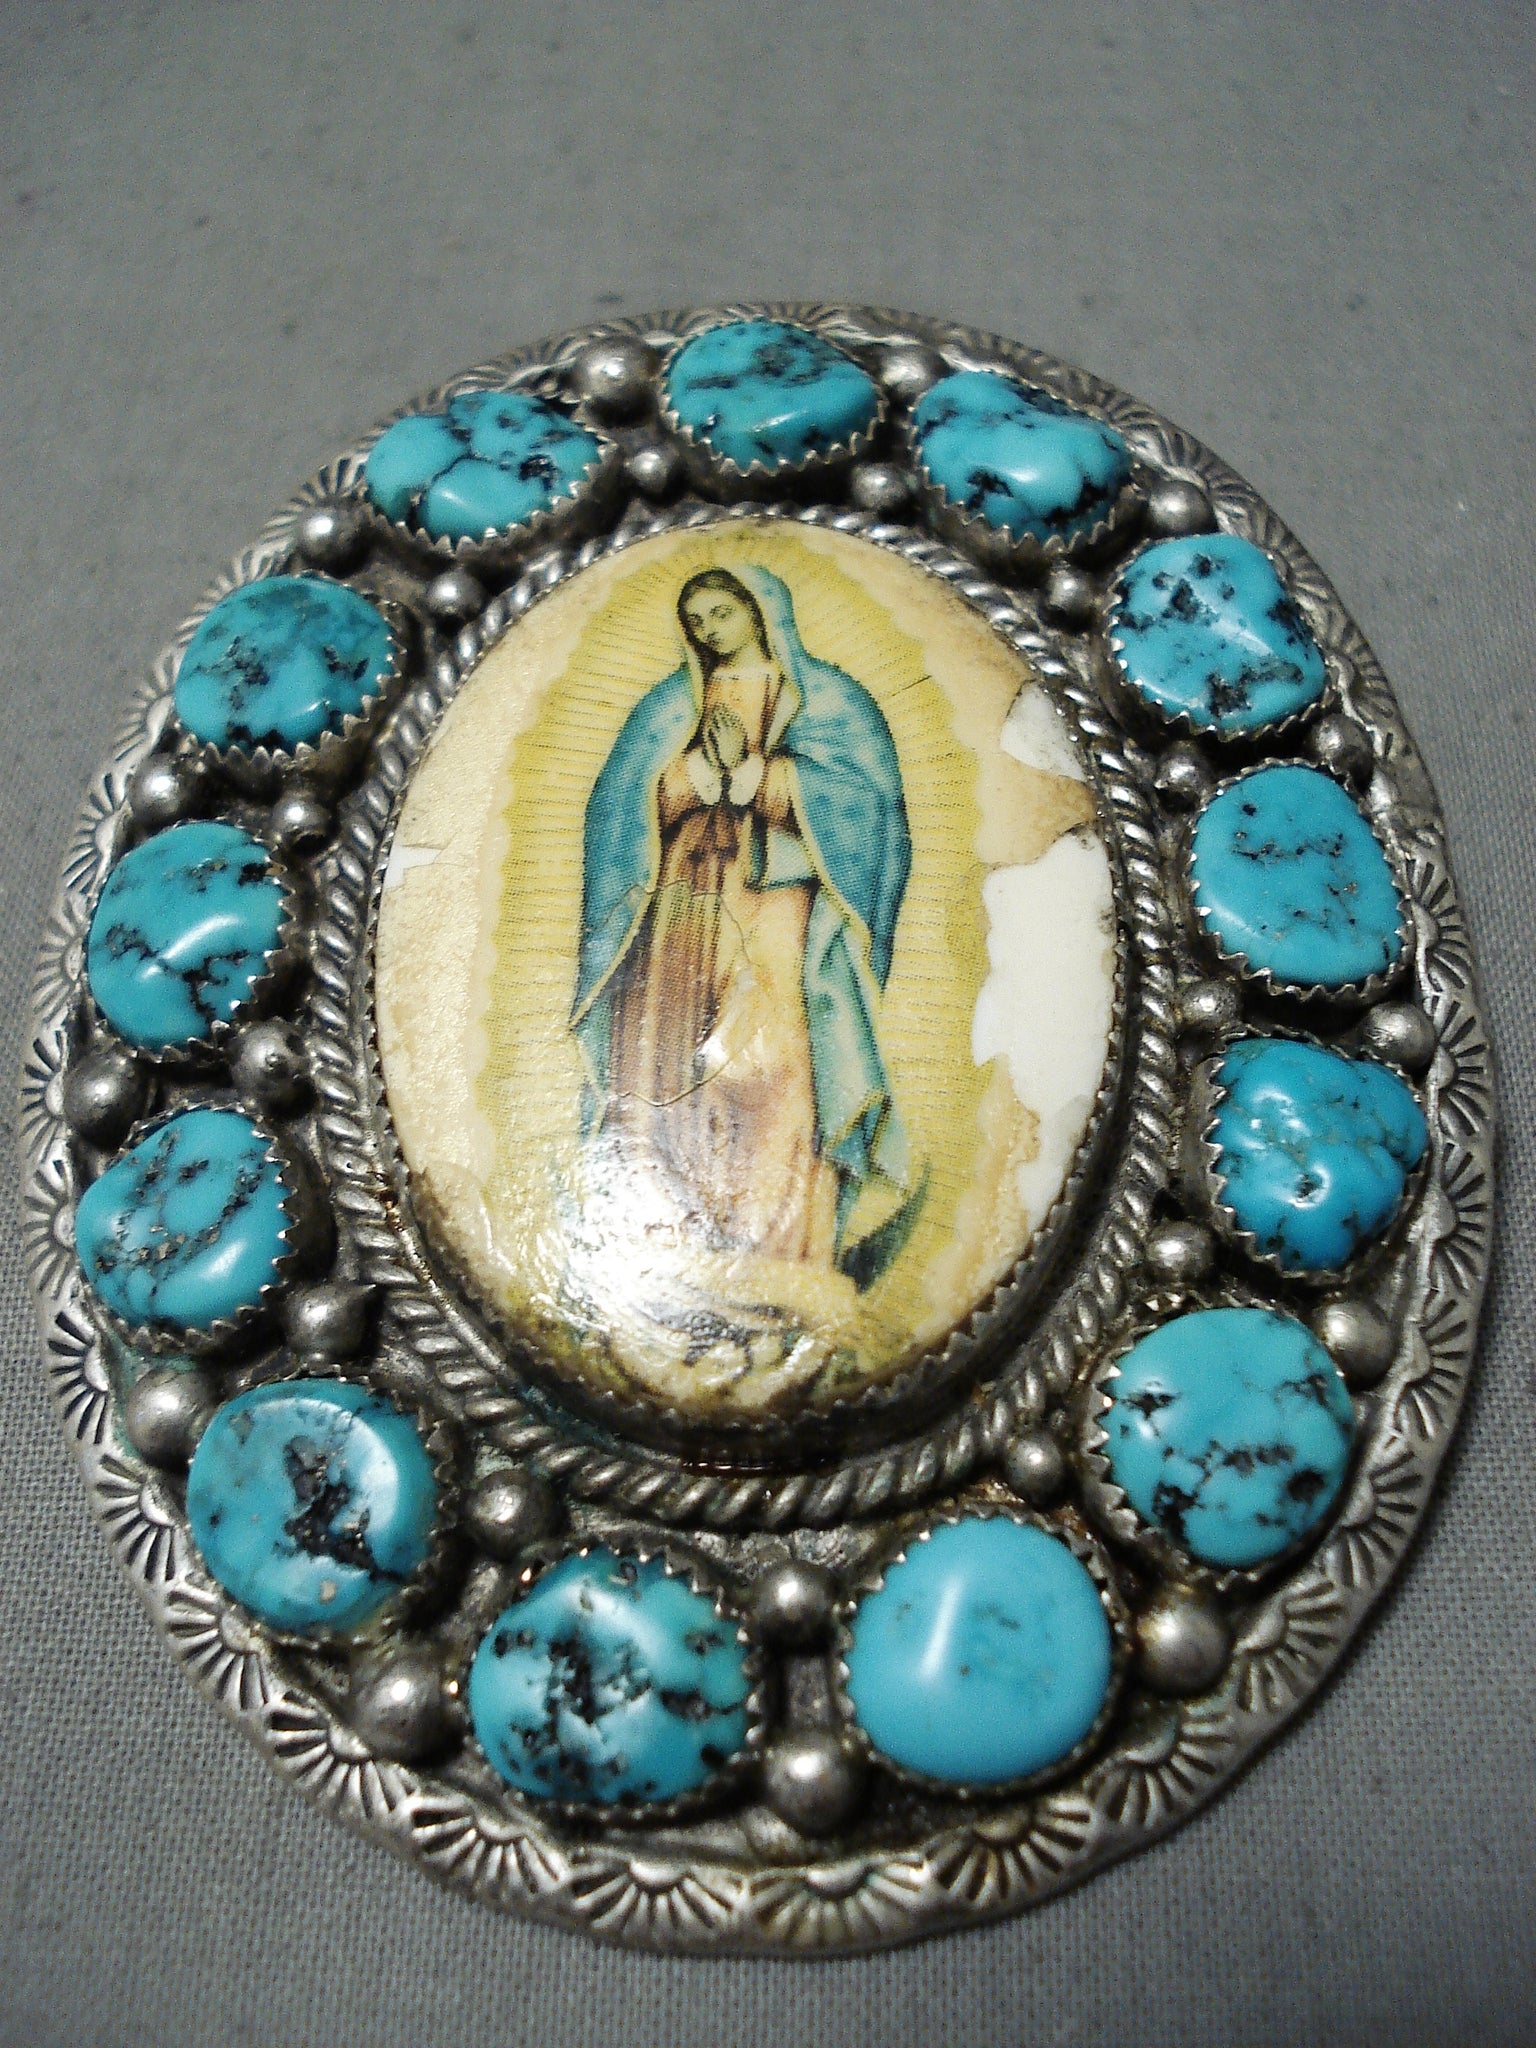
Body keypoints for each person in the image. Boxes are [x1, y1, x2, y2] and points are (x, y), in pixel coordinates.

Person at [570, 564, 919, 1309]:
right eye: (696, 621)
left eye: (722, 612)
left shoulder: (827, 700)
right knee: (668, 1053)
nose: (710, 630)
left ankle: (783, 1246)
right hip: (681, 900)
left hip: (776, 901)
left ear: (761, 610)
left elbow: (870, 809)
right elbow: (615, 809)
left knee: (774, 1060)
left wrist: (761, 777)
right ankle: (675, 1243)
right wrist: (697, 771)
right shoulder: (671, 704)